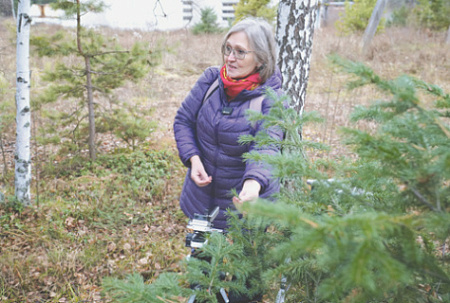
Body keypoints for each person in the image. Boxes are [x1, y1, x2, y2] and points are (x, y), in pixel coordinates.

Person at [173, 17, 284, 231]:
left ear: (260, 59)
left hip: (244, 203)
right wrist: (194, 160)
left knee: (242, 262)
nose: (230, 58)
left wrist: (253, 184)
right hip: (203, 198)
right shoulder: (211, 80)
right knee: (203, 261)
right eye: (228, 49)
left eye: (240, 52)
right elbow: (183, 120)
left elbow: (267, 146)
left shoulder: (272, 98)